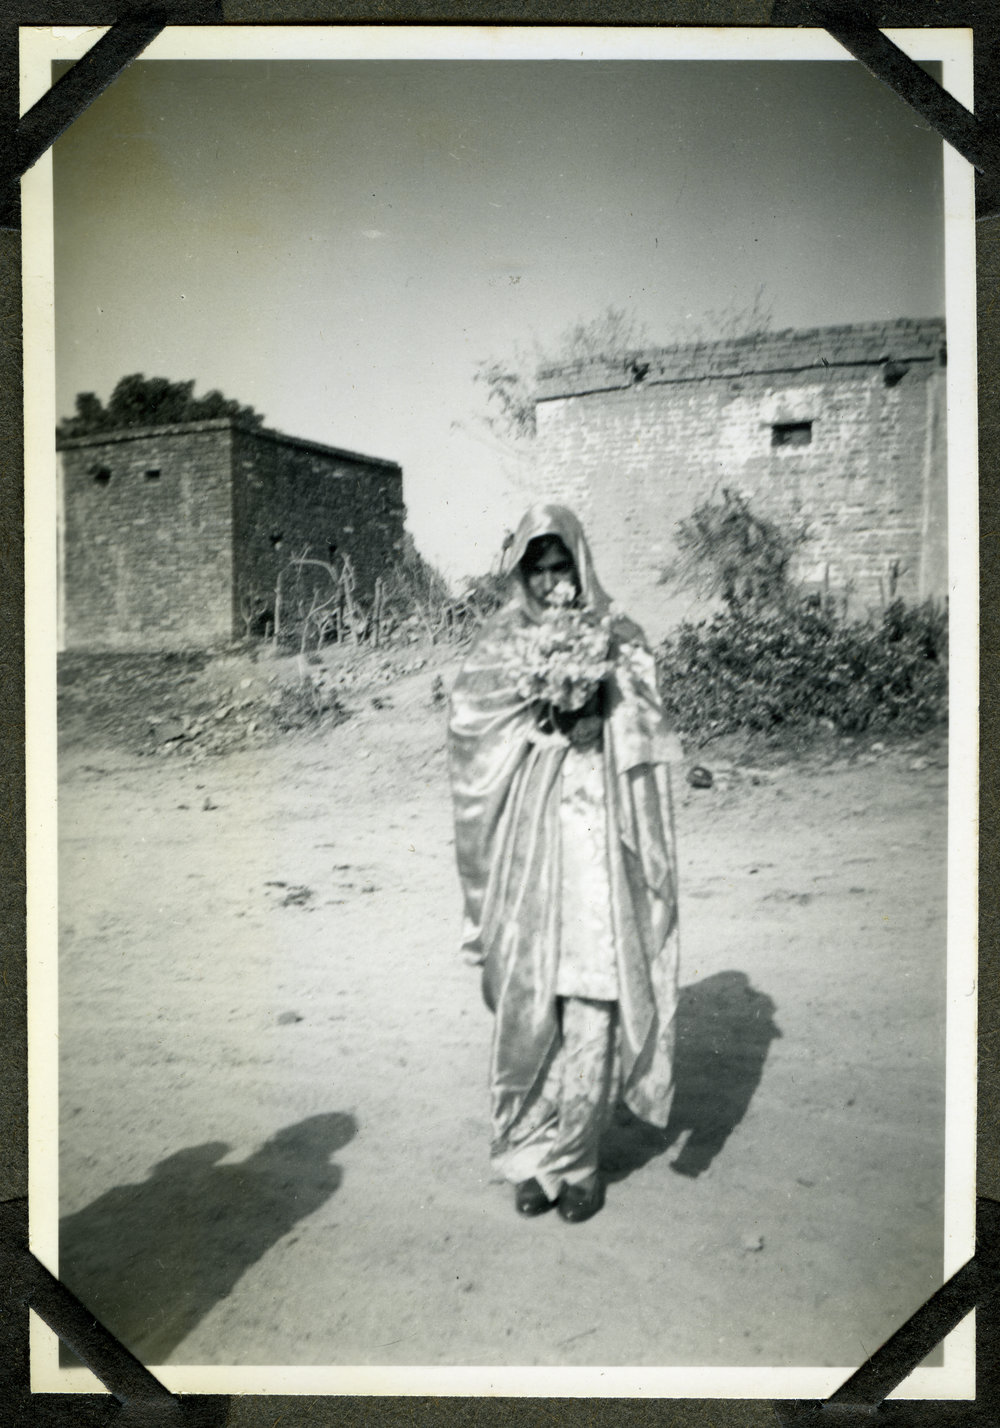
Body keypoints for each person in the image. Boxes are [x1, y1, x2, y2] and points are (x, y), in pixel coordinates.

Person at [448, 504, 682, 1224]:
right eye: (538, 569)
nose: (552, 583)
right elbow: (471, 739)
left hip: (595, 843)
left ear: (581, 567)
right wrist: (539, 721)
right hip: (529, 844)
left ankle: (578, 1161)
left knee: (592, 990)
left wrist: (601, 712)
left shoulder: (622, 637)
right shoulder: (496, 646)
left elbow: (650, 733)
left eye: (562, 567)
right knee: (530, 997)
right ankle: (526, 1154)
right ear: (521, 573)